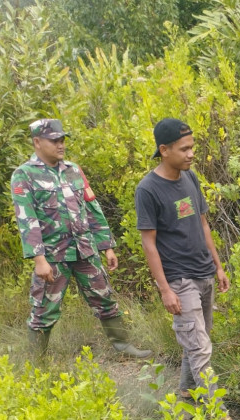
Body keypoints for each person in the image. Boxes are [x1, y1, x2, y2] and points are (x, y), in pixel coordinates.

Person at [11, 118, 152, 360]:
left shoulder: (73, 170)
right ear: (37, 142)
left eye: (62, 139)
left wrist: (106, 246)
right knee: (44, 310)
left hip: (84, 250)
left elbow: (91, 208)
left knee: (104, 298)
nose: (60, 144)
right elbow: (27, 220)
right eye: (54, 140)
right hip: (53, 256)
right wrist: (39, 259)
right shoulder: (24, 175)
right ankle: (36, 363)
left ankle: (123, 346)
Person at [135, 118, 240, 420]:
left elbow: (204, 224)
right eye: (185, 149)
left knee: (198, 340)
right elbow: (149, 243)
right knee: (199, 348)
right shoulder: (148, 189)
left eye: (193, 147)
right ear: (164, 150)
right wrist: (165, 289)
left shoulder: (190, 178)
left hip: (203, 271)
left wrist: (218, 266)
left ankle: (185, 392)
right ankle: (217, 413)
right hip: (178, 278)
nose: (191, 154)